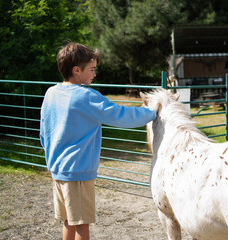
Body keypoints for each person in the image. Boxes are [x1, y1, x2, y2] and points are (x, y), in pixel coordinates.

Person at [40, 42, 156, 240]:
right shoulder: (86, 97)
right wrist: (152, 111)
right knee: (82, 225)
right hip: (78, 172)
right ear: (77, 70)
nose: (94, 74)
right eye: (91, 70)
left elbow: (44, 132)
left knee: (69, 220)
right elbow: (121, 115)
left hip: (57, 169)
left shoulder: (51, 93)